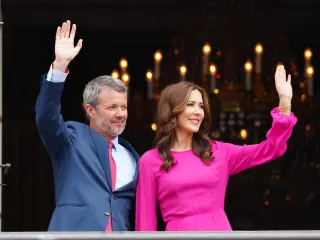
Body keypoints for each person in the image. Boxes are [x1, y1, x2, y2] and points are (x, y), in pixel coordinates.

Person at [135, 65, 297, 231]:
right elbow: (145, 223)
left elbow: (271, 149)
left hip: (219, 233)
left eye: (201, 106)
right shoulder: (150, 161)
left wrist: (284, 105)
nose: (198, 112)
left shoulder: (219, 152)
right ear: (172, 110)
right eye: (191, 105)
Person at [36, 20, 139, 231]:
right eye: (112, 107)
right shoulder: (71, 140)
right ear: (90, 110)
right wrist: (59, 66)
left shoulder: (133, 156)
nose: (121, 114)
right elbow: (46, 117)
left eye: (124, 107)